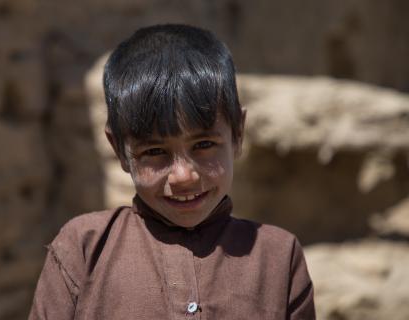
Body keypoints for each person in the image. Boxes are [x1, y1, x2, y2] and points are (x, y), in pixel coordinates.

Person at [29, 24, 315, 320]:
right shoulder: (84, 248)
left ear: (238, 134)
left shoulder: (278, 257)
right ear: (119, 150)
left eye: (204, 144)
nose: (183, 176)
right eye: (154, 152)